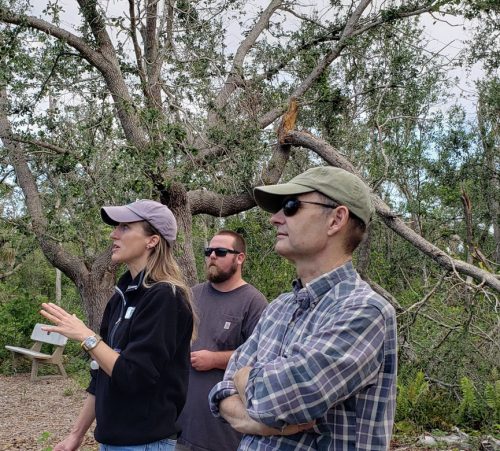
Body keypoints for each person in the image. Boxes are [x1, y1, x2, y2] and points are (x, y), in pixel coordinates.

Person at [209, 166, 397, 450]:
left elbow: (275, 398)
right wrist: (254, 418)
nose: (275, 219)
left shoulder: (366, 311)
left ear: (336, 219)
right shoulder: (279, 308)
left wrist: (246, 378)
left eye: (291, 206)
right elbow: (222, 390)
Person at [40, 199, 195, 451]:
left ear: (152, 240)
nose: (114, 234)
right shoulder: (121, 296)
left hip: (145, 442)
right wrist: (75, 435)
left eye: (124, 227)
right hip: (112, 441)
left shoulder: (165, 297)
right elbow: (101, 373)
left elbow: (135, 375)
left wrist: (87, 337)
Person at [177, 230, 268, 451]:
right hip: (179, 427)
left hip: (222, 436)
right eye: (208, 252)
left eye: (220, 251)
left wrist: (216, 359)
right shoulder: (192, 295)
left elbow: (263, 360)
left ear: (240, 257)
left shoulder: (254, 302)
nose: (212, 257)